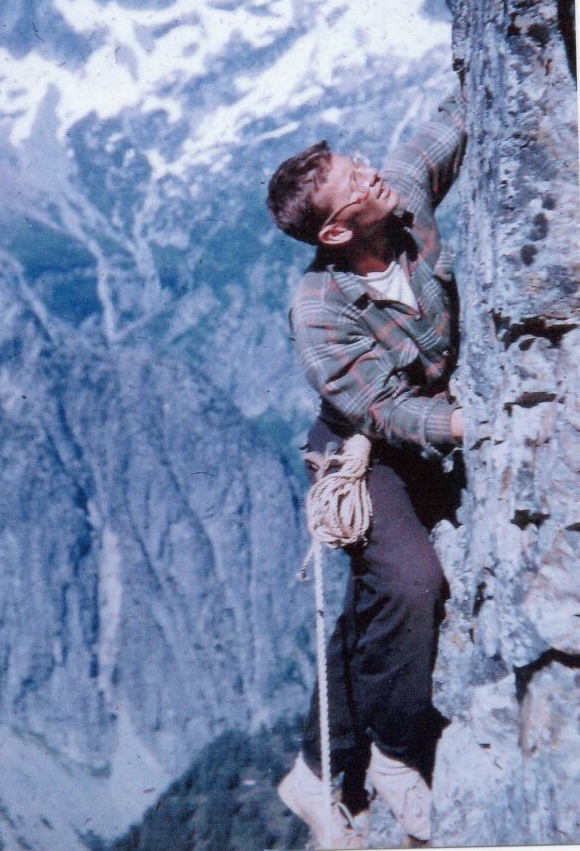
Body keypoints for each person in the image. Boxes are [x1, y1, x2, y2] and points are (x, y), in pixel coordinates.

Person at [266, 91, 467, 849]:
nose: (376, 174)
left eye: (360, 163)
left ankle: (316, 771)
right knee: (412, 579)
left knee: (381, 603)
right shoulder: (317, 308)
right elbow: (380, 410)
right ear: (337, 229)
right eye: (358, 179)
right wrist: (467, 424)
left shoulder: (401, 205)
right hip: (361, 451)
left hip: (424, 437)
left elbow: (442, 133)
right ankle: (389, 758)